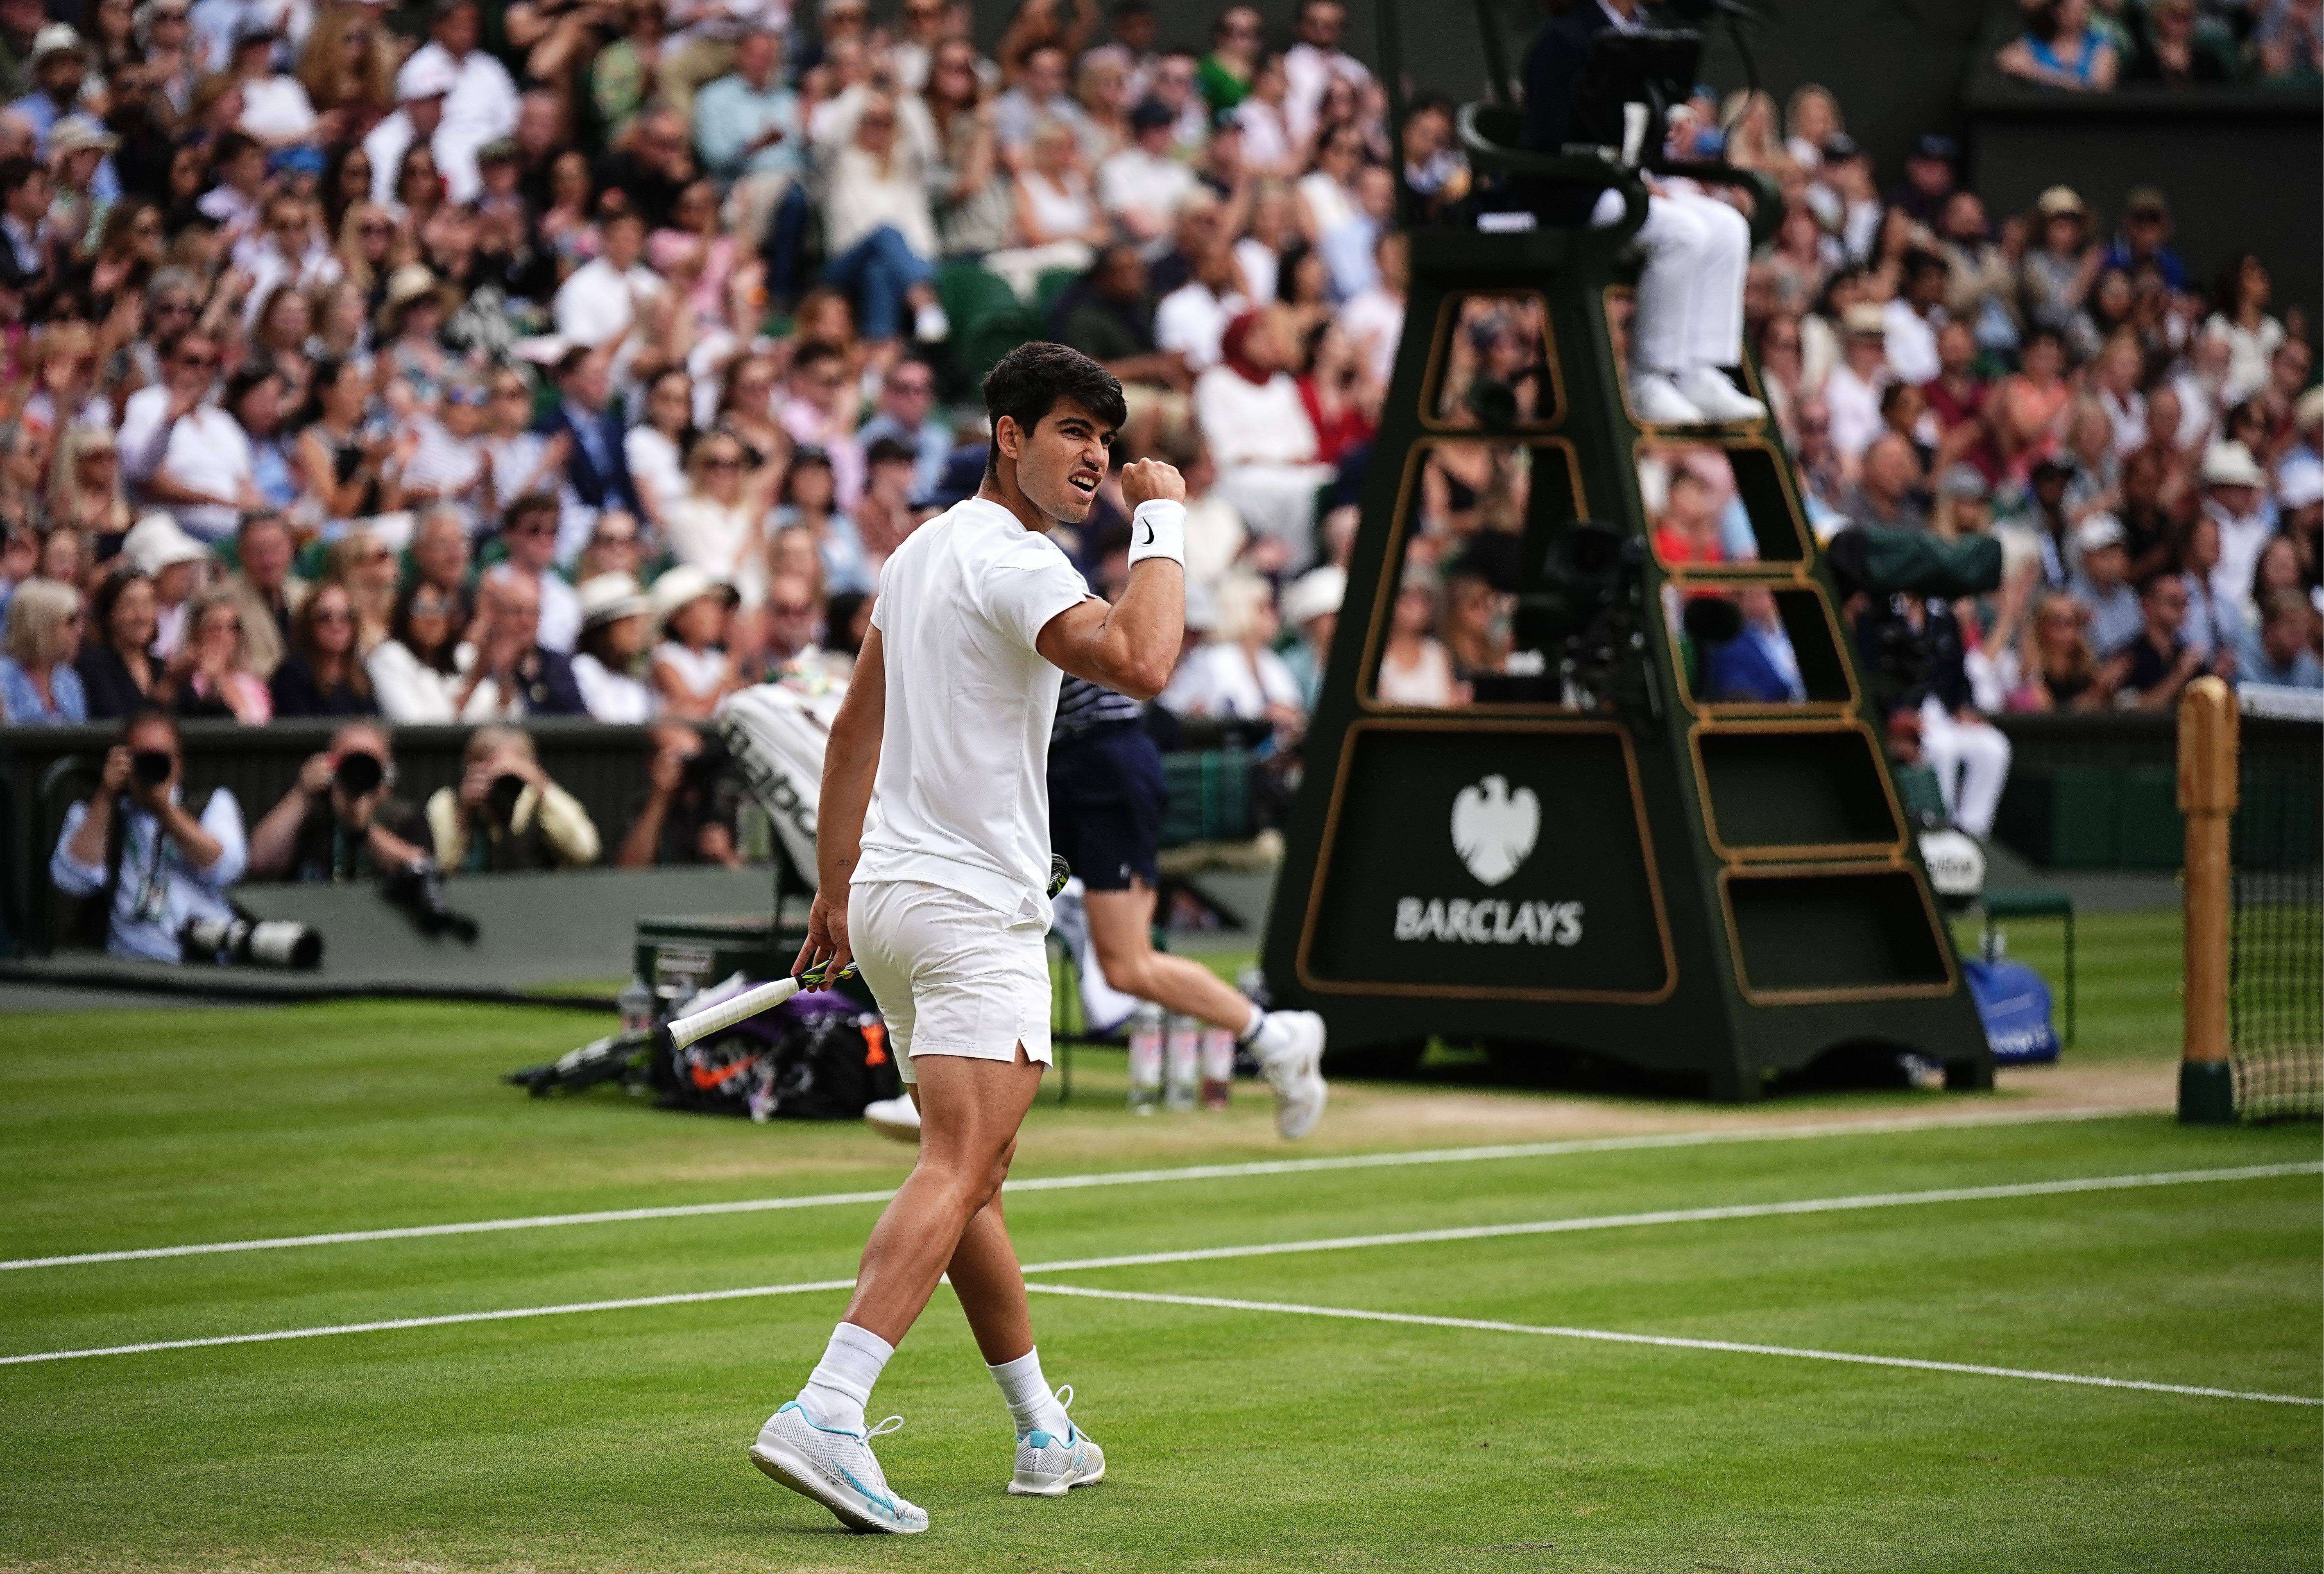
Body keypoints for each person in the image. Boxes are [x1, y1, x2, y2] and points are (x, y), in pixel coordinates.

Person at [755, 343, 1325, 1537]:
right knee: (958, 1165)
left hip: (900, 906)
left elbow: (851, 730)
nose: (1097, 461)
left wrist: (834, 890)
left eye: (1107, 445)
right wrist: (1164, 524)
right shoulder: (1013, 560)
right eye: (1072, 433)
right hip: (970, 910)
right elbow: (1144, 659)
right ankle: (830, 1405)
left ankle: (1042, 1430)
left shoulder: (914, 555)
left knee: (977, 1178)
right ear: (1006, 434)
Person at [1517, 0, 1763, 425]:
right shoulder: (1566, 37)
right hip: (1572, 191)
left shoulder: (1648, 32)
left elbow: (1638, 108)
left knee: (1729, 227)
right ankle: (1648, 377)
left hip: (1630, 185)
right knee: (1681, 232)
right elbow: (1550, 136)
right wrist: (1621, 173)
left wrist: (1671, 118)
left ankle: (1701, 370)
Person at [50, 708, 247, 962]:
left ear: (179, 765)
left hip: (201, 958)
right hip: (126, 962)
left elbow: (228, 868)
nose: (152, 768)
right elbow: (70, 879)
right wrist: (106, 795)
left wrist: (166, 811)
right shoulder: (98, 810)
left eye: (162, 759)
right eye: (143, 758)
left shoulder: (212, 803)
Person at [247, 720, 433, 882]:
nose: (359, 772)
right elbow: (260, 863)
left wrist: (364, 829)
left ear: (387, 772)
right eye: (351, 762)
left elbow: (422, 869)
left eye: (369, 764)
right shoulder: (310, 812)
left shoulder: (403, 817)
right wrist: (301, 794)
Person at [423, 723, 599, 871]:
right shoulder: (449, 803)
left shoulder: (540, 801)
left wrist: (542, 785)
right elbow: (443, 868)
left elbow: (585, 852)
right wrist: (465, 815)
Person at [616, 718, 743, 867]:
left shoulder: (727, 802)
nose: (692, 769)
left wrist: (726, 856)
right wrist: (661, 795)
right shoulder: (643, 806)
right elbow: (630, 871)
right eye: (683, 760)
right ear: (652, 763)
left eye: (697, 760)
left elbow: (754, 878)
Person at [268, 578, 378, 718]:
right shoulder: (291, 675)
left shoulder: (360, 675)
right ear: (308, 624)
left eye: (347, 616)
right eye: (325, 617)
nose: (337, 625)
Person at [571, 571, 655, 722]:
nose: (637, 630)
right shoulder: (583, 668)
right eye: (628, 621)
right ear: (604, 629)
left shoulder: (632, 680)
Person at [0, 574, 84, 722]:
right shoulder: (4, 678)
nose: (80, 631)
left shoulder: (69, 680)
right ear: (42, 626)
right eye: (71, 621)